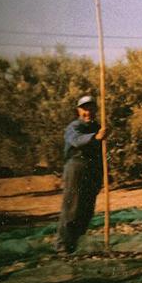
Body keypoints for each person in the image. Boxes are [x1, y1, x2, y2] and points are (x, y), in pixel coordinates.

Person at [57, 95, 107, 254]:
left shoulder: (99, 126)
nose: (88, 112)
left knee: (87, 209)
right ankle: (63, 246)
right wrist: (97, 136)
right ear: (79, 110)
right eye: (85, 108)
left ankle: (76, 244)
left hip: (92, 169)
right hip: (76, 168)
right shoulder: (74, 126)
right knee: (72, 208)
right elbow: (77, 141)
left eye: (91, 108)